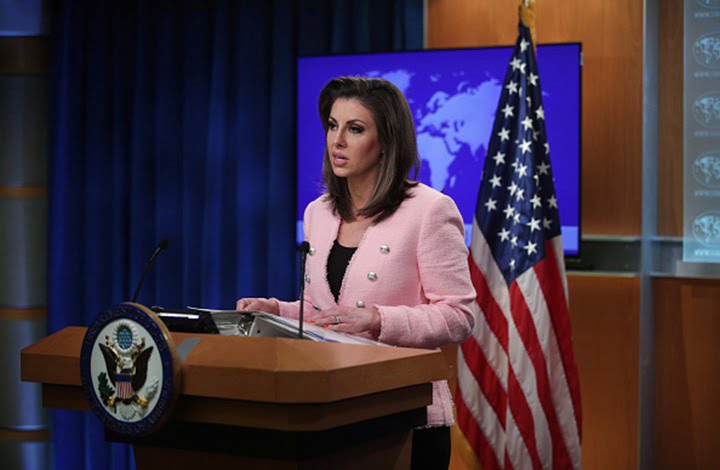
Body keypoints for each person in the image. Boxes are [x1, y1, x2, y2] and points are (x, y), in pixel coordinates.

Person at [236, 76, 475, 469]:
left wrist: (379, 319)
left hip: (404, 415)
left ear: (387, 141)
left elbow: (458, 316)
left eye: (355, 129)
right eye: (333, 126)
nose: (338, 141)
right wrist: (276, 310)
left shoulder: (430, 210)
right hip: (334, 413)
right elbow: (325, 312)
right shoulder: (318, 212)